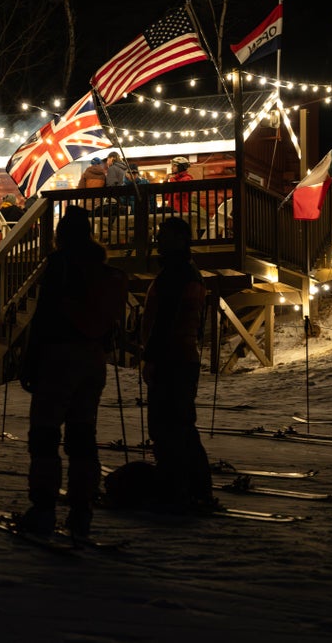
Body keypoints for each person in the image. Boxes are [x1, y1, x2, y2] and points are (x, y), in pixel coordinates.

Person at [18, 205, 128, 538]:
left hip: (58, 355)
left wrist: (29, 357)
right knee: (82, 436)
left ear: (61, 235)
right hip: (92, 359)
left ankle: (44, 508)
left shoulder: (60, 265)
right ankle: (82, 510)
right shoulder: (102, 269)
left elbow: (46, 314)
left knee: (45, 433)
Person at [140, 217, 216, 513]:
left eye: (164, 236)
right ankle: (191, 486)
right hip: (183, 357)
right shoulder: (188, 272)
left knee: (167, 426)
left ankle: (178, 487)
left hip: (172, 358)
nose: (159, 239)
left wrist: (151, 357)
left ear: (181, 240)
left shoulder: (177, 274)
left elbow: (165, 320)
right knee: (180, 425)